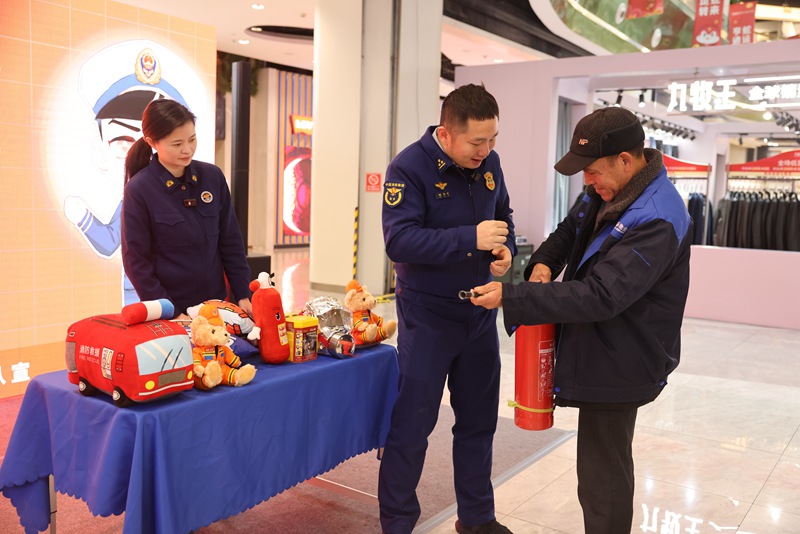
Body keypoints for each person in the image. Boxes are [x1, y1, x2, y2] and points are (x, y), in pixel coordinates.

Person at [470, 106, 692, 534]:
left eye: (591, 172)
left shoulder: (659, 217)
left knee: (603, 476)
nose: (586, 183)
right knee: (596, 471)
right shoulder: (607, 189)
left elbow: (603, 294)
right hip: (602, 346)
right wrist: (543, 263)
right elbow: (569, 230)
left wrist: (514, 295)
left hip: (625, 356)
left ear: (625, 161)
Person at [379, 83, 517, 534]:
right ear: (446, 133)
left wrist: (505, 249)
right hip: (428, 317)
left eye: (493, 139)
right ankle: (399, 523)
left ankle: (477, 518)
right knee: (412, 426)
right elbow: (398, 241)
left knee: (478, 423)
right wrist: (468, 237)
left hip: (480, 315)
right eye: (477, 141)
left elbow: (505, 217)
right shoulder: (408, 167)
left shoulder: (490, 164)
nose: (487, 150)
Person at [121, 99, 252, 320]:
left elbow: (231, 242)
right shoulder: (139, 189)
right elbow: (136, 262)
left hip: (216, 308)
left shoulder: (212, 177)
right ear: (152, 142)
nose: (187, 149)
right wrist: (171, 313)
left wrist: (243, 294)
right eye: (177, 143)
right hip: (172, 312)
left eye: (192, 139)